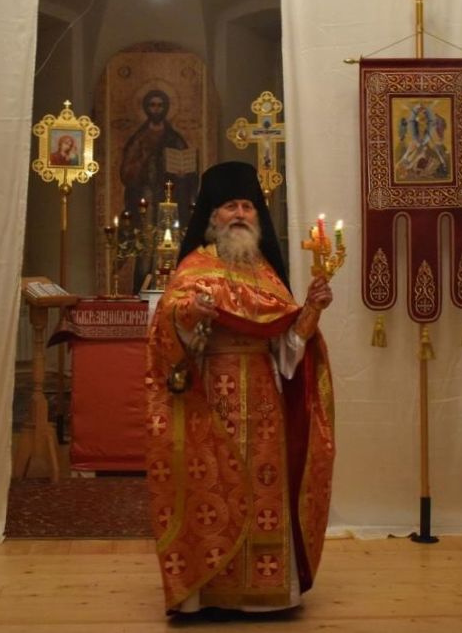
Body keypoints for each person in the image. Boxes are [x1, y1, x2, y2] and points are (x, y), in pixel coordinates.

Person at [145, 161, 336, 615]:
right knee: (211, 493)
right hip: (209, 402)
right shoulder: (194, 268)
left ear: (257, 216)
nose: (239, 214)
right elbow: (168, 331)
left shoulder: (267, 275)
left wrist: (311, 310)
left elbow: (287, 351)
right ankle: (206, 590)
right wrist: (191, 315)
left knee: (265, 494)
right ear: (213, 215)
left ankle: (266, 595)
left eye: (247, 206)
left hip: (266, 405)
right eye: (230, 205)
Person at [119, 89, 198, 291]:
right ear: (146, 108)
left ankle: (171, 291)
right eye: (152, 105)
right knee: (146, 248)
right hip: (146, 198)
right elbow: (126, 172)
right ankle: (142, 292)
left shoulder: (175, 138)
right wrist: (143, 160)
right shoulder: (139, 139)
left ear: (166, 108)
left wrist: (183, 174)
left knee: (170, 245)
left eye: (160, 105)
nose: (156, 109)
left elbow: (190, 171)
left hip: (171, 201)